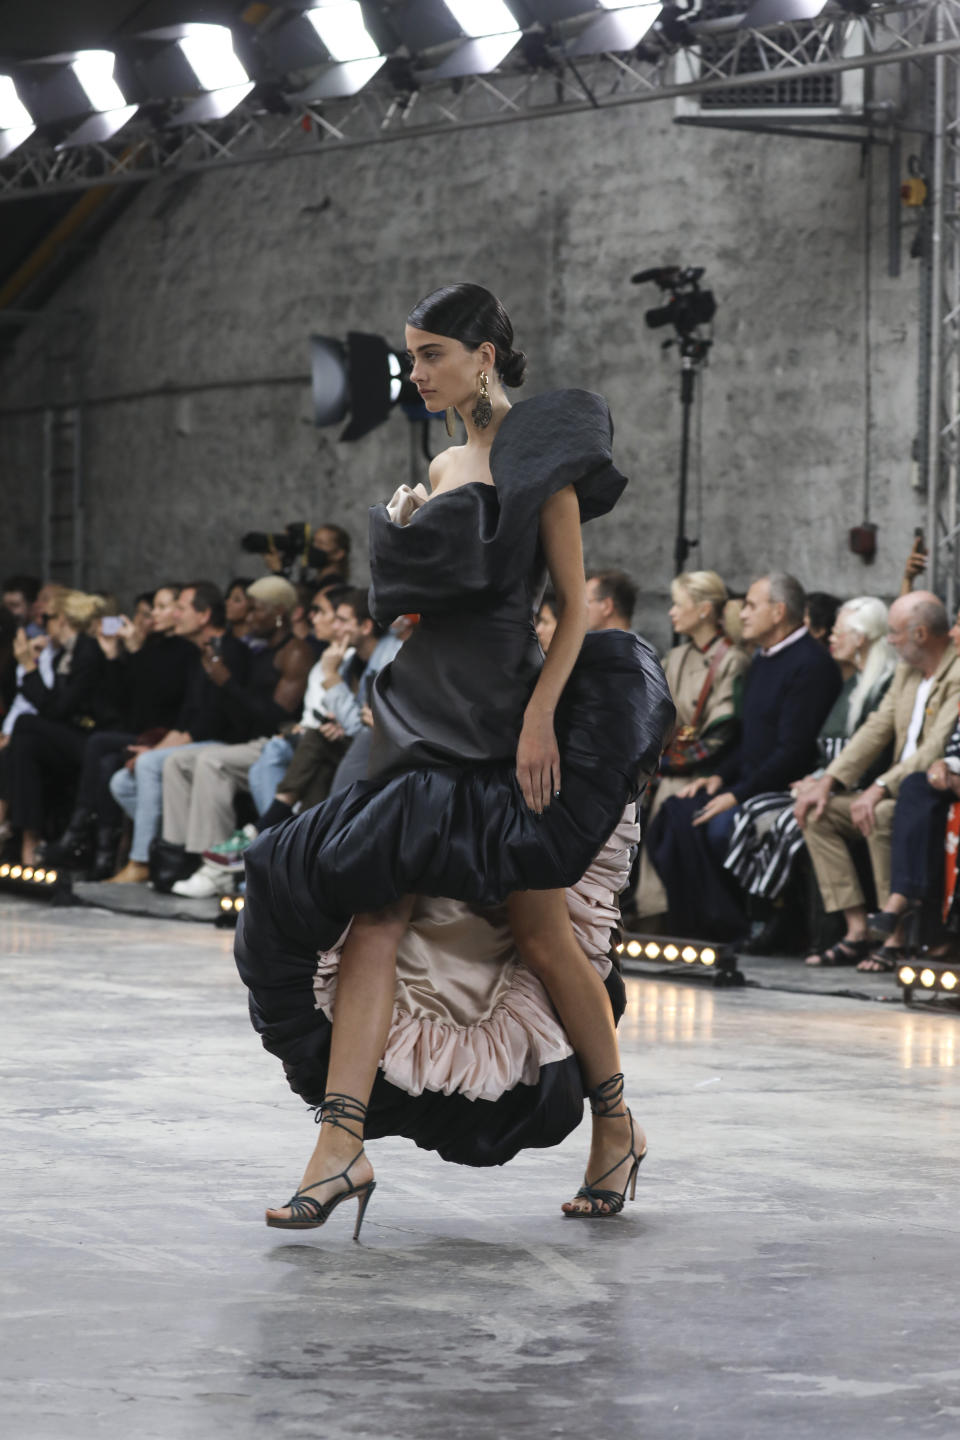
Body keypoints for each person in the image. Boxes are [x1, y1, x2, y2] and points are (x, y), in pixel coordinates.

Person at [234, 283, 674, 1234]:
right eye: (411, 355)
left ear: (483, 354)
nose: (417, 372)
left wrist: (541, 720)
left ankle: (617, 1124)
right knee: (371, 911)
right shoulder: (439, 459)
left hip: (497, 721)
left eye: (432, 353)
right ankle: (338, 1146)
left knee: (544, 931)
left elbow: (569, 614)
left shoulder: (542, 462)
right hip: (409, 714)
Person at [645, 573, 842, 940]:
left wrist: (735, 794)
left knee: (720, 826)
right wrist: (719, 777)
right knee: (673, 815)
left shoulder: (811, 665)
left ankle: (748, 922)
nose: (741, 614)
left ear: (779, 612)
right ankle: (702, 926)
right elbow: (752, 740)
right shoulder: (765, 658)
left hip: (787, 786)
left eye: (751, 605)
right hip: (749, 780)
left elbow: (793, 753)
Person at [797, 592, 960, 966]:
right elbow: (875, 729)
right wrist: (830, 781)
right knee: (815, 812)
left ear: (920, 634)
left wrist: (879, 787)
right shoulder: (907, 670)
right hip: (895, 784)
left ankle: (895, 937)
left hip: (924, 787)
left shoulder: (956, 672)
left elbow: (934, 749)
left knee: (880, 814)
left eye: (895, 632)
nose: (889, 640)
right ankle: (858, 930)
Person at [724, 596, 896, 908]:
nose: (830, 637)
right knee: (754, 811)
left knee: (790, 820)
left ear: (860, 638)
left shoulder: (884, 683)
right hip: (829, 785)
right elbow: (827, 751)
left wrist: (825, 783)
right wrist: (815, 779)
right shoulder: (851, 682)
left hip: (858, 789)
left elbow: (877, 754)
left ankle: (790, 919)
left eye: (838, 631)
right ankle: (766, 913)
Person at [159, 577, 314, 894]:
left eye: (256, 610)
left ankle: (216, 869)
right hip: (248, 743)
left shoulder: (295, 652)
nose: (249, 617)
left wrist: (225, 681)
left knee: (211, 762)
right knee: (176, 762)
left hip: (277, 744)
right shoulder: (257, 650)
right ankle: (176, 857)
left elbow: (276, 716)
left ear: (279, 613)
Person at [42, 584, 193, 877]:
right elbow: (125, 703)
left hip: (163, 735)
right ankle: (103, 856)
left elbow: (158, 702)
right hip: (138, 731)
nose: (153, 617)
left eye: (161, 609)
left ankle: (80, 833)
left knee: (99, 744)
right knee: (108, 764)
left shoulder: (184, 652)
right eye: (153, 609)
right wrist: (114, 656)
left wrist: (136, 653)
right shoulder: (151, 647)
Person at [106, 582, 249, 883]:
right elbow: (184, 721)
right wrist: (155, 750)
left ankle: (143, 860)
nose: (174, 614)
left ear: (204, 615)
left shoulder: (229, 652)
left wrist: (154, 754)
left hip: (226, 743)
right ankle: (167, 848)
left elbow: (209, 723)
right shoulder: (198, 654)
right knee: (122, 781)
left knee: (149, 765)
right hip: (197, 740)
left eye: (180, 608)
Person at [634, 570, 749, 921]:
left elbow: (723, 732)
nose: (670, 611)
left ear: (702, 610)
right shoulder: (676, 656)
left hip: (701, 774)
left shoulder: (732, 659)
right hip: (666, 766)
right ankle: (650, 910)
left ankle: (677, 916)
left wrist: (668, 762)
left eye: (678, 604)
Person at [3, 589, 117, 864]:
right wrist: (32, 666)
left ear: (64, 619)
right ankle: (29, 841)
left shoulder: (88, 651)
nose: (43, 623)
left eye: (48, 617)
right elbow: (50, 706)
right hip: (70, 735)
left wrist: (29, 668)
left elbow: (56, 709)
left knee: (24, 726)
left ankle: (8, 824)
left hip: (94, 737)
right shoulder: (60, 654)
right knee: (23, 745)